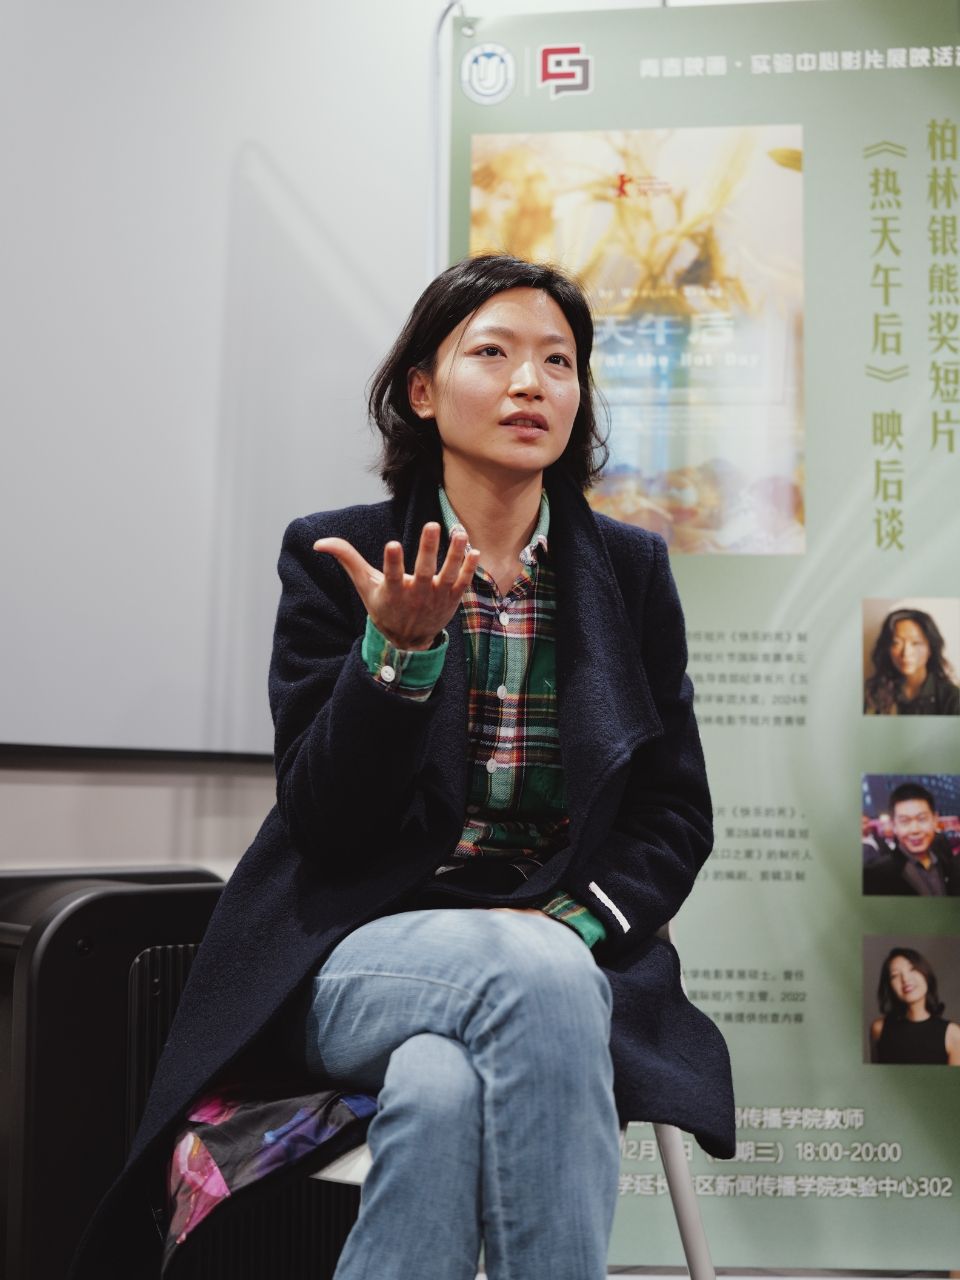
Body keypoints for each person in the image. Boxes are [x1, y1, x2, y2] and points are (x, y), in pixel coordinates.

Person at [70, 255, 734, 1280]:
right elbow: (325, 823)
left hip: (556, 950)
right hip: (355, 952)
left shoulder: (629, 569)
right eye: (494, 353)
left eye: (559, 361)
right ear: (422, 391)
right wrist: (397, 659)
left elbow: (672, 813)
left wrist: (572, 923)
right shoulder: (342, 553)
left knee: (441, 1085)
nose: (530, 383)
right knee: (538, 975)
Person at [863, 783, 960, 896]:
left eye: (922, 819)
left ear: (934, 820)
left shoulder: (945, 862)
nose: (915, 830)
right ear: (894, 826)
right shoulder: (874, 875)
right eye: (905, 821)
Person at [870, 947, 960, 1065]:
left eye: (912, 969)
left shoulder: (953, 1035)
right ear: (890, 986)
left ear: (926, 974)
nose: (905, 979)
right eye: (895, 975)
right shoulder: (878, 1029)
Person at [863, 608, 960, 715]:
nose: (906, 653)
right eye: (896, 643)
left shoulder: (951, 698)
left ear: (930, 649)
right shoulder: (872, 692)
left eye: (915, 643)